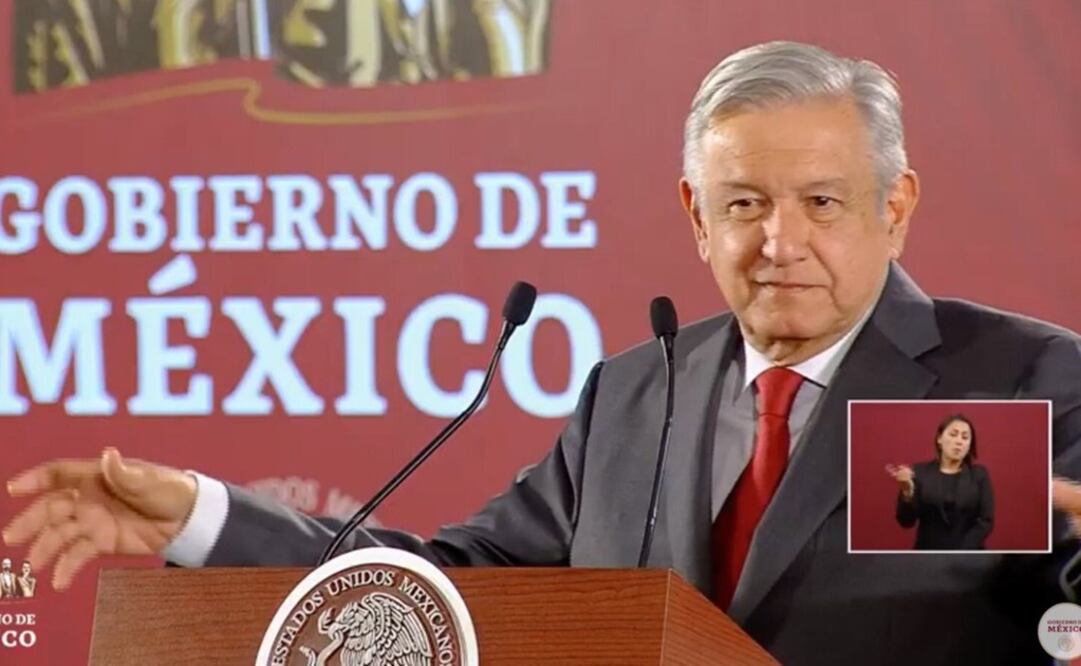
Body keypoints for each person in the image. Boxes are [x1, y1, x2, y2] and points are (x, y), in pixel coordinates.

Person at [3, 41, 1081, 665]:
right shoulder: (632, 392)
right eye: (742, 203)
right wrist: (203, 516)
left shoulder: (1028, 381)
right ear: (694, 217)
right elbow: (450, 596)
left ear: (895, 208)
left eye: (821, 203)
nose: (778, 241)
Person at [887, 414, 994, 550]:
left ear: (969, 445)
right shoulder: (920, 472)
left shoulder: (979, 475)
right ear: (939, 439)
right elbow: (906, 522)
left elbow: (985, 521)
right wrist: (907, 491)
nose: (959, 441)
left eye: (965, 437)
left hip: (968, 553)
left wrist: (962, 551)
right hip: (927, 554)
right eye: (953, 434)